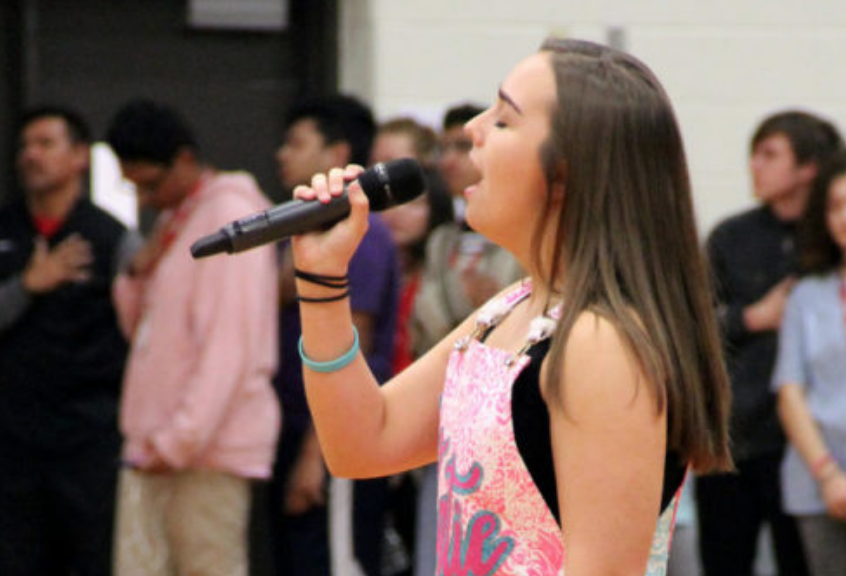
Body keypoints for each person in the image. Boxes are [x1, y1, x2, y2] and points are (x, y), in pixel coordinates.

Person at [287, 37, 732, 576]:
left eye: (502, 121)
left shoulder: (601, 342)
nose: (473, 129)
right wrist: (322, 278)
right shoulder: (515, 306)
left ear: (566, 172)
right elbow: (362, 443)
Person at [106, 99, 280, 576]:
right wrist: (136, 275)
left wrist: (180, 440)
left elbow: (230, 347)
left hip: (204, 450)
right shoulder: (175, 217)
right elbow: (143, 335)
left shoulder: (231, 216)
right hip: (154, 443)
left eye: (150, 184)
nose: (143, 198)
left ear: (184, 160)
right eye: (134, 187)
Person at [699, 110, 843, 576]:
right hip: (737, 437)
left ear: (808, 169)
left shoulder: (821, 249)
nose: (753, 166)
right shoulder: (731, 236)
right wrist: (752, 317)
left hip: (801, 444)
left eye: (769, 155)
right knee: (726, 560)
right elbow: (693, 326)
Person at [0, 106, 135, 576]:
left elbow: (144, 330)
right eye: (24, 146)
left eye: (45, 144)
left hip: (88, 440)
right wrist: (29, 284)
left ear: (80, 156)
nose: (30, 156)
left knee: (90, 560)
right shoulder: (5, 227)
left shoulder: (113, 237)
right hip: (13, 439)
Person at [271, 94, 400, 576]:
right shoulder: (300, 229)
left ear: (336, 153)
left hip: (334, 438)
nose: (282, 154)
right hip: (296, 429)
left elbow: (357, 343)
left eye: (296, 143)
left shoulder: (360, 230)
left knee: (338, 565)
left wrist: (316, 456)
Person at [772, 149, 846, 576]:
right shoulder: (806, 295)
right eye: (835, 207)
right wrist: (828, 474)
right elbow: (790, 391)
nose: (842, 217)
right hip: (818, 483)